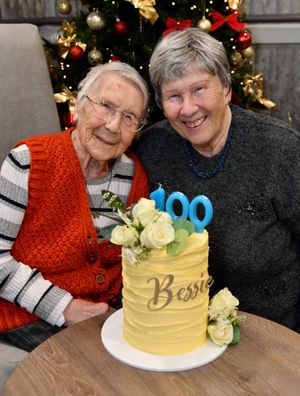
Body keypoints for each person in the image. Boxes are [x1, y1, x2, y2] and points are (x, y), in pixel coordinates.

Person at [133, 28, 300, 332]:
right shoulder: (151, 148)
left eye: (199, 89)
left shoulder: (280, 151)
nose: (188, 109)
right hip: (178, 329)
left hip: (271, 332)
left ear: (225, 87)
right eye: (173, 96)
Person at [0, 61, 149, 387]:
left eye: (128, 117)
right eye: (106, 106)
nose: (112, 125)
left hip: (104, 315)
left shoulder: (132, 173)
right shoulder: (28, 160)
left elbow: (135, 256)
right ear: (77, 106)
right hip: (29, 315)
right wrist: (65, 307)